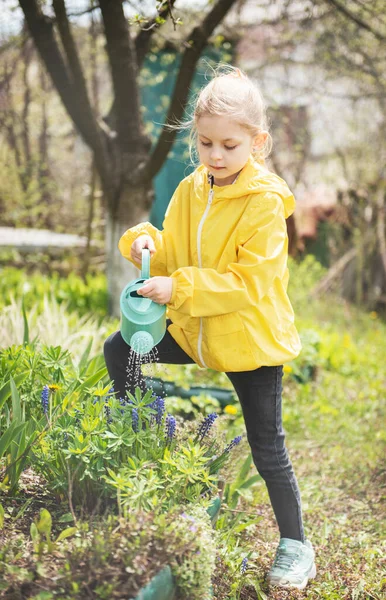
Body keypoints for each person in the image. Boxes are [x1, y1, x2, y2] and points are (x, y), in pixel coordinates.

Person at [104, 64, 316, 590]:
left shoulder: (265, 204)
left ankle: (295, 544)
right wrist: (144, 242)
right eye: (205, 144)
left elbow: (250, 282)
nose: (216, 156)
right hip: (193, 326)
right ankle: (145, 448)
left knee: (268, 447)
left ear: (257, 142)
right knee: (119, 349)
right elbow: (173, 245)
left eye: (229, 145)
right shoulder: (191, 188)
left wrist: (180, 288)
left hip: (248, 339)